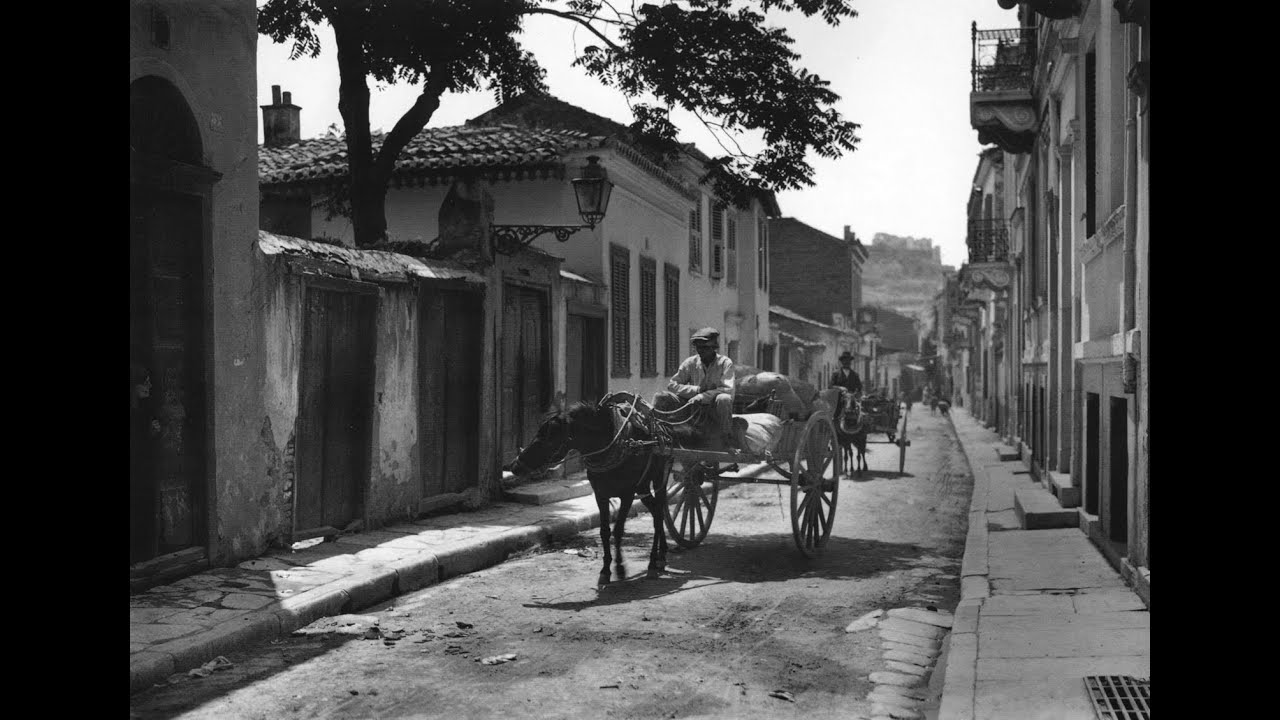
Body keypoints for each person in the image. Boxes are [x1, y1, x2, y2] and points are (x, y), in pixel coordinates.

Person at [655, 327, 740, 448]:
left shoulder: (725, 363)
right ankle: (659, 434)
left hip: (714, 409)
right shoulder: (690, 362)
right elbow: (672, 385)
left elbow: (727, 389)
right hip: (692, 407)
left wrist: (702, 396)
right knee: (661, 396)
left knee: (724, 399)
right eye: (698, 348)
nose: (701, 351)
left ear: (713, 347)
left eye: (705, 348)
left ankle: (726, 437)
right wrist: (695, 391)